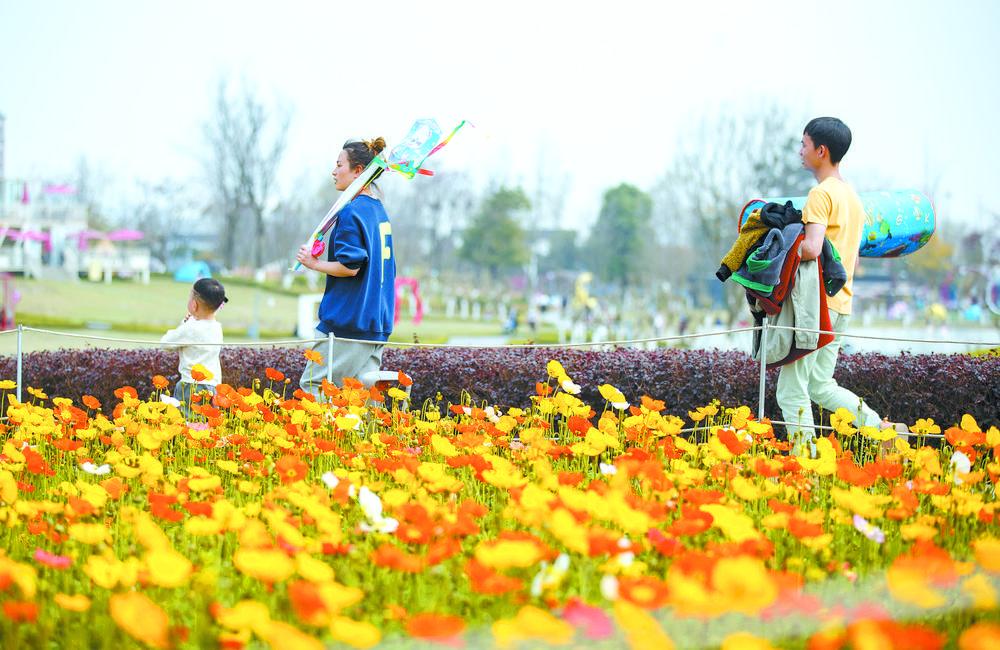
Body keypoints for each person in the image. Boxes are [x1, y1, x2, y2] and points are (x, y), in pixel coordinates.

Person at [776, 117, 906, 455]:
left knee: (790, 391)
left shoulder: (820, 195)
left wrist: (781, 247)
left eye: (804, 144)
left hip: (815, 308)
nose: (800, 151)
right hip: (841, 306)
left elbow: (812, 249)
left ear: (821, 151)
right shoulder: (853, 199)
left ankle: (806, 464)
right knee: (820, 385)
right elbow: (854, 261)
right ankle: (882, 430)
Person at [297, 137, 396, 399]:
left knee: (314, 389)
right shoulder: (378, 209)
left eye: (339, 164)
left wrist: (313, 264)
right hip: (377, 322)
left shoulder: (351, 212)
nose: (334, 171)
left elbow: (350, 266)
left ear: (358, 171)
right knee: (359, 400)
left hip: (349, 323)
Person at [160, 278, 227, 415]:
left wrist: (185, 323)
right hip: (213, 386)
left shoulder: (190, 328)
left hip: (191, 386)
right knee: (208, 426)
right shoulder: (217, 328)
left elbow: (165, 344)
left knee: (189, 426)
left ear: (194, 305)